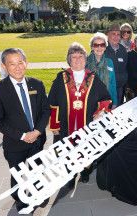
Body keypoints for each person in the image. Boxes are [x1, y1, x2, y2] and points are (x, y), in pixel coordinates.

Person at [0, 48, 50, 213]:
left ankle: (39, 193)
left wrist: (37, 131)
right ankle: (21, 200)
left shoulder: (37, 84)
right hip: (14, 144)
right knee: (17, 175)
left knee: (37, 170)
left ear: (26, 63)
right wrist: (23, 136)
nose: (17, 67)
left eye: (20, 62)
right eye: (12, 64)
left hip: (37, 140)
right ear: (4, 66)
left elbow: (46, 110)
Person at [48, 42, 111, 183]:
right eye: (74, 57)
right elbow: (52, 103)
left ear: (85, 59)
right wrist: (54, 125)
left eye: (81, 56)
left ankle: (84, 172)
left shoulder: (92, 78)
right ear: (69, 60)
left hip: (86, 124)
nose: (77, 60)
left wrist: (99, 112)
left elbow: (106, 98)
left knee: (86, 149)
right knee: (66, 150)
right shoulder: (61, 78)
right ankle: (69, 176)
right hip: (65, 125)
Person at [86, 32, 118, 108]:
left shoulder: (109, 62)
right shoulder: (86, 62)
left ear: (105, 47)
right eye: (96, 45)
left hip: (106, 100)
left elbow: (112, 83)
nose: (99, 48)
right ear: (92, 47)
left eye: (102, 45)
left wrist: (115, 102)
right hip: (90, 102)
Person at [105, 23, 128, 106]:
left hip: (119, 87)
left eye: (118, 34)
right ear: (108, 35)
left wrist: (124, 79)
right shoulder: (102, 48)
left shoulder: (122, 49)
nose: (116, 36)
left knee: (118, 111)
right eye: (113, 34)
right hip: (106, 89)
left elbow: (125, 67)